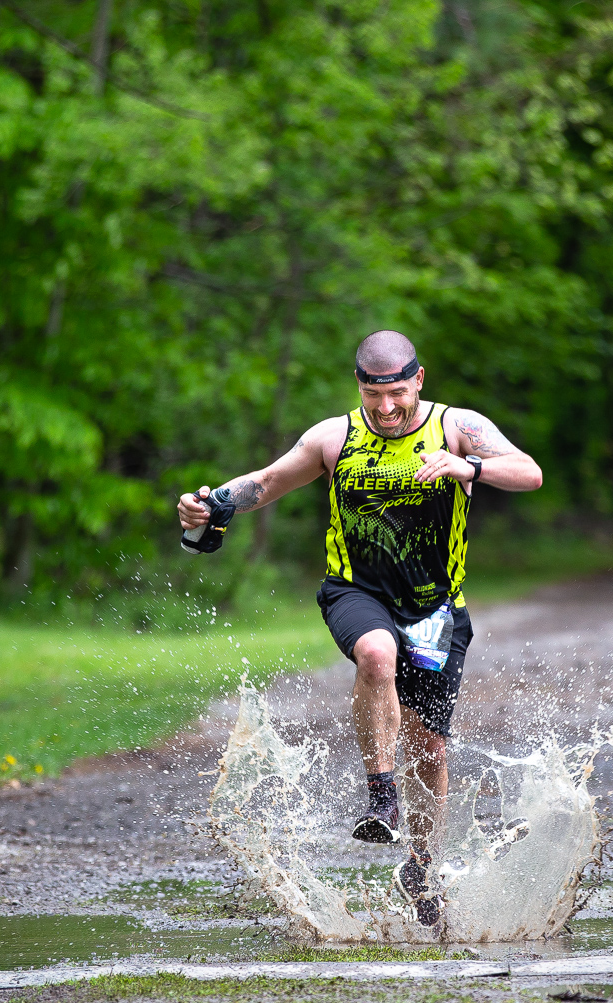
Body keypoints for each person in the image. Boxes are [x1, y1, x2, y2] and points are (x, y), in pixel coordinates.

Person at [176, 330, 543, 925]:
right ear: (360, 387)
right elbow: (267, 482)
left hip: (436, 608)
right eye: (376, 397)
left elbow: (529, 474)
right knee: (376, 654)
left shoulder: (455, 427)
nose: (387, 408)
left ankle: (421, 868)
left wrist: (465, 465)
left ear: (418, 381)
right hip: (356, 591)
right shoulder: (334, 437)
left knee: (428, 749)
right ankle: (380, 796)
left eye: (398, 394)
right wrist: (209, 505)